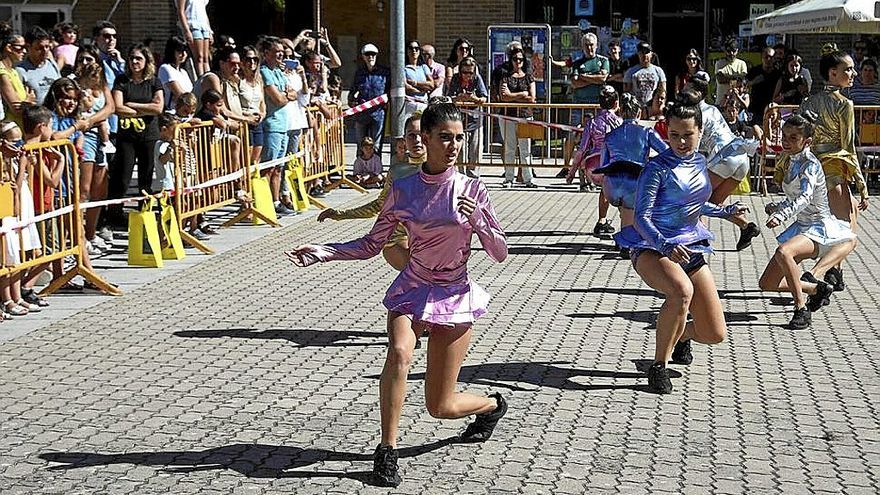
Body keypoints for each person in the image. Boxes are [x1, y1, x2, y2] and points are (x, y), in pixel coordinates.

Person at [288, 100, 508, 487]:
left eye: (459, 138)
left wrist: (479, 220)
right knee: (400, 352)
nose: (454, 146)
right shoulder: (403, 189)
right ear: (423, 140)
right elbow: (373, 244)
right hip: (413, 287)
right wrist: (323, 251)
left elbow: (499, 252)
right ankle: (386, 450)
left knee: (440, 406)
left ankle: (492, 406)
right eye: (445, 138)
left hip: (455, 294)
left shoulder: (473, 188)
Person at [615, 98, 746, 394]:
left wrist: (725, 212)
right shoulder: (656, 168)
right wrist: (664, 244)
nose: (681, 141)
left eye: (687, 134)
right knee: (681, 292)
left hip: (690, 247)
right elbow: (641, 218)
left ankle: (682, 336)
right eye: (674, 135)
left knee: (714, 333)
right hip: (651, 246)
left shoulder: (700, 162)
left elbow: (697, 205)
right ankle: (658, 366)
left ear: (700, 131)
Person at [758, 112, 855, 329]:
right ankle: (817, 290)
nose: (786, 141)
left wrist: (781, 215)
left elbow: (805, 197)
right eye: (784, 135)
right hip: (802, 227)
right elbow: (794, 198)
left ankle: (801, 309)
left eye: (793, 138)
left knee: (784, 252)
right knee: (767, 284)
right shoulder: (791, 160)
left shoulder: (810, 165)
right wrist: (777, 206)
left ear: (807, 142)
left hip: (818, 227)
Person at [317, 112, 427, 271]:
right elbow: (379, 205)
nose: (416, 140)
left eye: (420, 135)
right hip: (398, 240)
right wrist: (341, 214)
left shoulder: (443, 172)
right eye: (411, 135)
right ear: (404, 140)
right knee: (419, 275)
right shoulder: (398, 172)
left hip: (430, 240)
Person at [798, 50, 869, 291]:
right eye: (848, 69)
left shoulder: (808, 102)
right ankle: (823, 272)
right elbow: (848, 147)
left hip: (812, 169)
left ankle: (834, 273)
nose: (853, 73)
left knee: (835, 222)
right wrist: (863, 186)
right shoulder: (844, 104)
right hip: (834, 169)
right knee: (846, 229)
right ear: (833, 73)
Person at [685, 75, 762, 251]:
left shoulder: (696, 113)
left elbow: (695, 142)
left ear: (699, 93)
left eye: (688, 89)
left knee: (697, 198)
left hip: (725, 157)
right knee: (714, 202)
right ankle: (746, 227)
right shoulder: (712, 108)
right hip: (742, 157)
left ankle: (699, 240)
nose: (684, 92)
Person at [593, 92, 669, 257]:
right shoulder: (646, 132)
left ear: (620, 113)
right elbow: (666, 153)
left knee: (625, 205)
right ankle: (627, 243)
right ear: (639, 113)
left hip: (611, 186)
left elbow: (603, 164)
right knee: (635, 202)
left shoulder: (610, 135)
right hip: (635, 183)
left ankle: (625, 237)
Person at [107, 44, 163, 226]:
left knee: (146, 178)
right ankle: (115, 214)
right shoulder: (122, 80)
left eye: (138, 58)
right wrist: (141, 111)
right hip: (127, 136)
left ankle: (144, 212)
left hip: (149, 135)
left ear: (146, 61)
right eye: (131, 58)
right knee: (122, 176)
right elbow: (117, 107)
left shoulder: (154, 82)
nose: (134, 62)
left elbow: (158, 108)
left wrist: (132, 105)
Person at [72, 44, 116, 251]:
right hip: (83, 138)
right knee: (84, 189)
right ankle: (79, 236)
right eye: (81, 59)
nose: (85, 64)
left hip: (99, 136)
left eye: (89, 60)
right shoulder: (73, 84)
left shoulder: (102, 83)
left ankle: (91, 232)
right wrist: (88, 124)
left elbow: (110, 107)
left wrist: (93, 121)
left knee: (100, 189)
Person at [564, 33, 609, 174]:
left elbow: (603, 78)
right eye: (586, 45)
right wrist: (593, 78)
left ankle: (599, 165)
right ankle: (566, 166)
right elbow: (575, 83)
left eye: (592, 44)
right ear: (583, 46)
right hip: (579, 104)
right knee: (572, 134)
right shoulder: (577, 63)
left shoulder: (603, 60)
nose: (589, 47)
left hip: (597, 105)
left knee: (599, 136)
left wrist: (584, 77)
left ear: (596, 45)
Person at [498, 48, 536, 188]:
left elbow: (532, 98)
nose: (518, 62)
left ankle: (528, 179)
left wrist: (513, 96)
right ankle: (509, 178)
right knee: (509, 148)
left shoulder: (529, 77)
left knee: (525, 149)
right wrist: (522, 94)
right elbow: (504, 97)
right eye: (515, 59)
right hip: (507, 116)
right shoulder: (505, 77)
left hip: (525, 116)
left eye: (520, 59)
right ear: (511, 60)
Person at [446, 56, 488, 178]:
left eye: (470, 72)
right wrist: (459, 97)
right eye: (464, 72)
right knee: (460, 149)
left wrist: (474, 98)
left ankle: (473, 175)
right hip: (459, 120)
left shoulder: (477, 79)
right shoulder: (455, 79)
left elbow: (484, 97)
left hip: (475, 119)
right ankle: (460, 175)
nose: (467, 75)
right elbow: (449, 97)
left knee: (475, 149)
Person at [349, 43, 389, 159]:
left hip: (378, 113)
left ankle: (376, 169)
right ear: (363, 56)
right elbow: (353, 90)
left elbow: (389, 90)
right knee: (361, 144)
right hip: (362, 114)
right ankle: (360, 169)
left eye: (373, 54)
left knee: (376, 144)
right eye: (368, 54)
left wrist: (387, 102)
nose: (370, 57)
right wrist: (352, 101)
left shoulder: (384, 73)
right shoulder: (359, 73)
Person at [93, 21, 125, 138]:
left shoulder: (120, 61)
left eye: (114, 36)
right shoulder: (94, 62)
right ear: (96, 39)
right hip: (105, 123)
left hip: (123, 120)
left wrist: (120, 62)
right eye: (106, 36)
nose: (111, 39)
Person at [15, 26, 61, 105]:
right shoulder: (20, 70)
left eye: (47, 47)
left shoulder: (52, 64)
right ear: (28, 47)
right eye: (39, 48)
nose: (45, 51)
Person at [239, 45, 265, 166]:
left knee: (256, 159)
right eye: (248, 59)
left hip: (257, 122)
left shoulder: (259, 79)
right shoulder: (238, 80)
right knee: (246, 160)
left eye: (255, 59)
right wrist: (247, 116)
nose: (252, 62)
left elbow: (262, 102)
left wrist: (262, 114)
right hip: (244, 122)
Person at [0, 33, 34, 127]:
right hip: (12, 127)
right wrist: (28, 100)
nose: (25, 51)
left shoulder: (13, 70)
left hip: (21, 124)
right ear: (9, 48)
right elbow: (16, 109)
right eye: (21, 47)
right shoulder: (2, 72)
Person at [624, 41, 666, 112]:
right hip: (636, 109)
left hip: (653, 108)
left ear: (651, 54)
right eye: (642, 52)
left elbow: (663, 91)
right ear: (638, 54)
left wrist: (660, 108)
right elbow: (627, 92)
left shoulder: (659, 71)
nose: (644, 55)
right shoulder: (630, 72)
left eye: (647, 52)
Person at [746, 46, 780, 128]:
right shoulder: (754, 71)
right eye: (766, 57)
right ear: (762, 58)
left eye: (771, 57)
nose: (768, 60)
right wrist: (754, 81)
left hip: (770, 109)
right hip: (755, 108)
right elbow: (744, 85)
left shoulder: (777, 74)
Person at [177, 0, 212, 76]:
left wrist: (209, 30)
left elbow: (204, 12)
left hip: (204, 26)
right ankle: (201, 80)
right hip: (192, 24)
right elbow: (180, 11)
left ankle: (208, 79)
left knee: (206, 57)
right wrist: (186, 30)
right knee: (199, 57)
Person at [157, 36, 193, 111]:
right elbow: (181, 95)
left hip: (188, 112)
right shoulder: (165, 68)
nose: (183, 54)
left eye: (185, 51)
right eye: (180, 51)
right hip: (173, 114)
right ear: (171, 51)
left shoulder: (184, 72)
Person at [403, 40, 434, 123]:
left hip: (423, 105)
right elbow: (406, 87)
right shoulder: (403, 68)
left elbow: (431, 85)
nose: (414, 51)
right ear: (407, 51)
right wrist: (423, 90)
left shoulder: (424, 67)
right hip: (410, 104)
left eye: (416, 48)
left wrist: (414, 83)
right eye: (411, 48)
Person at [714, 38, 748, 105]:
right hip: (721, 103)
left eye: (733, 51)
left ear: (737, 51)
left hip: (737, 104)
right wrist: (737, 77)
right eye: (729, 51)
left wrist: (727, 76)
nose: (731, 53)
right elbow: (720, 80)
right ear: (725, 51)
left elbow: (742, 81)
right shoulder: (719, 63)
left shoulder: (742, 64)